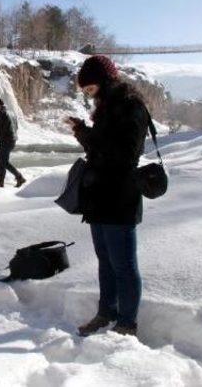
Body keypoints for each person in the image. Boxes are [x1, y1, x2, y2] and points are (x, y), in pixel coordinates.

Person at [66, 55, 149, 336]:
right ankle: (106, 312)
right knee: (105, 260)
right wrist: (82, 131)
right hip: (100, 196)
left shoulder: (131, 106)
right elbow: (99, 148)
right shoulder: (105, 108)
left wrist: (89, 138)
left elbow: (125, 156)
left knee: (124, 265)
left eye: (90, 89)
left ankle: (127, 324)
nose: (90, 95)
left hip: (120, 196)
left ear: (104, 81)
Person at [0, 99, 26, 188]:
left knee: (2, 161)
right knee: (3, 161)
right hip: (12, 140)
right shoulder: (11, 113)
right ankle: (1, 181)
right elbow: (16, 126)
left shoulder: (2, 113)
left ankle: (19, 177)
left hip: (6, 140)